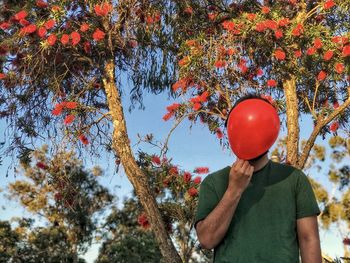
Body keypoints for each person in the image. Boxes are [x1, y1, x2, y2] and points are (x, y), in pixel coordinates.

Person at [195, 94, 322, 263]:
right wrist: (234, 190)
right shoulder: (214, 182)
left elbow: (309, 239)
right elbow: (206, 240)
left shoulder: (294, 179)